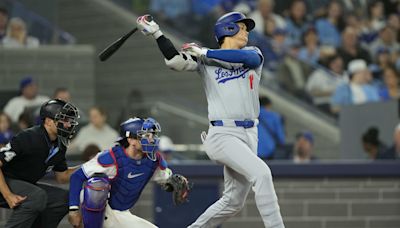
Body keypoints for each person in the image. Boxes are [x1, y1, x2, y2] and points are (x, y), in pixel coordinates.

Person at [136, 12, 284, 227]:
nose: (246, 32)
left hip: (250, 134)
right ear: (228, 29)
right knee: (262, 174)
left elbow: (248, 60)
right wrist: (157, 34)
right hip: (222, 134)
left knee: (233, 201)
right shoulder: (204, 60)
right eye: (242, 27)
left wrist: (205, 51)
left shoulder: (252, 53)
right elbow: (175, 61)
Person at [68, 117, 181, 228]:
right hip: (102, 208)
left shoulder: (153, 159)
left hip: (120, 213)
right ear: (130, 139)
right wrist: (73, 210)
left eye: (152, 135)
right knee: (96, 185)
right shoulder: (111, 157)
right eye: (146, 135)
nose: (151, 139)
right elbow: (77, 177)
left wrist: (174, 183)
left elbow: (165, 180)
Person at [0, 99, 80, 228]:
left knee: (62, 199)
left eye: (70, 120)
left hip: (22, 184)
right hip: (3, 182)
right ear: (48, 121)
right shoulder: (29, 137)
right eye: (64, 120)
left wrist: (90, 165)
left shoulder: (59, 144)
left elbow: (62, 176)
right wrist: (8, 195)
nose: (68, 124)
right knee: (37, 196)